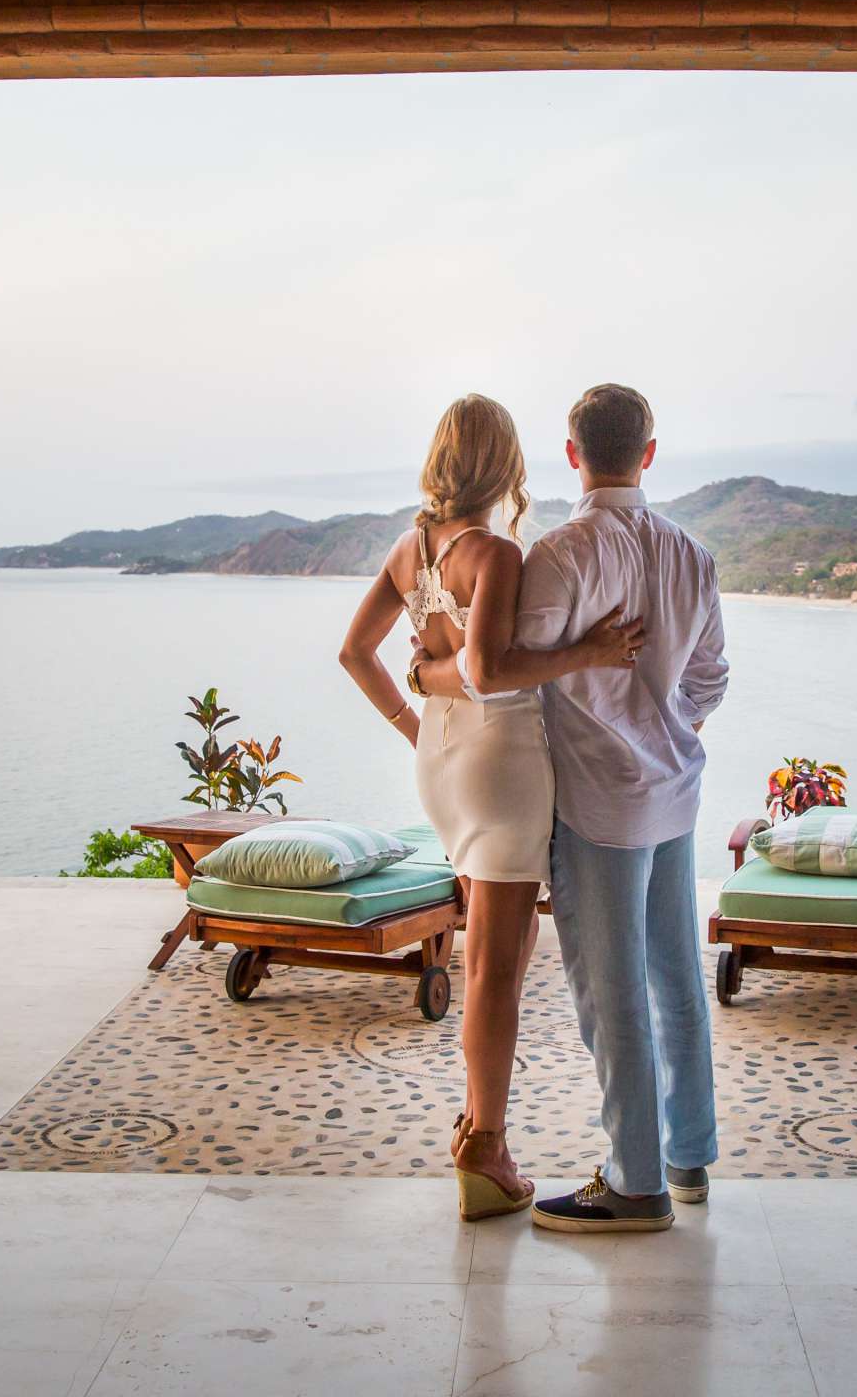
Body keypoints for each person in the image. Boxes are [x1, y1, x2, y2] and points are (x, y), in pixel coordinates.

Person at [418, 382, 727, 1234]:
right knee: (673, 975)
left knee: (606, 986)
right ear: (650, 454)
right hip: (675, 790)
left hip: (598, 802)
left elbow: (505, 666)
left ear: (572, 454)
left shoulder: (561, 554)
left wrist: (431, 672)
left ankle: (635, 1185)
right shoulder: (693, 555)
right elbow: (710, 679)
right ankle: (688, 1158)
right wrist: (661, 726)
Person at [339, 393, 642, 1221]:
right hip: (500, 762)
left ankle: (482, 1130)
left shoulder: (411, 549)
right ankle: (485, 1146)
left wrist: (414, 726)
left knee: (498, 943)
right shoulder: (495, 553)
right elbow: (490, 671)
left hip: (443, 763)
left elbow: (355, 652)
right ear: (505, 463)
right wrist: (592, 651)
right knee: (494, 971)